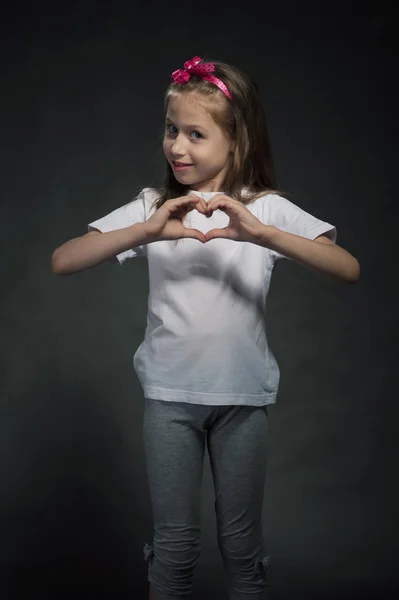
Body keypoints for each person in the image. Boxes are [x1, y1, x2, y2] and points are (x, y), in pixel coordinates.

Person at [51, 56, 360, 600]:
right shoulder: (155, 206)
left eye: (196, 134)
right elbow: (64, 259)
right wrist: (144, 231)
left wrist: (262, 235)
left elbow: (346, 267)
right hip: (169, 399)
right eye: (172, 130)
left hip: (243, 399)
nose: (177, 147)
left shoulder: (265, 210)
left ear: (236, 141)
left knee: (242, 548)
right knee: (173, 547)